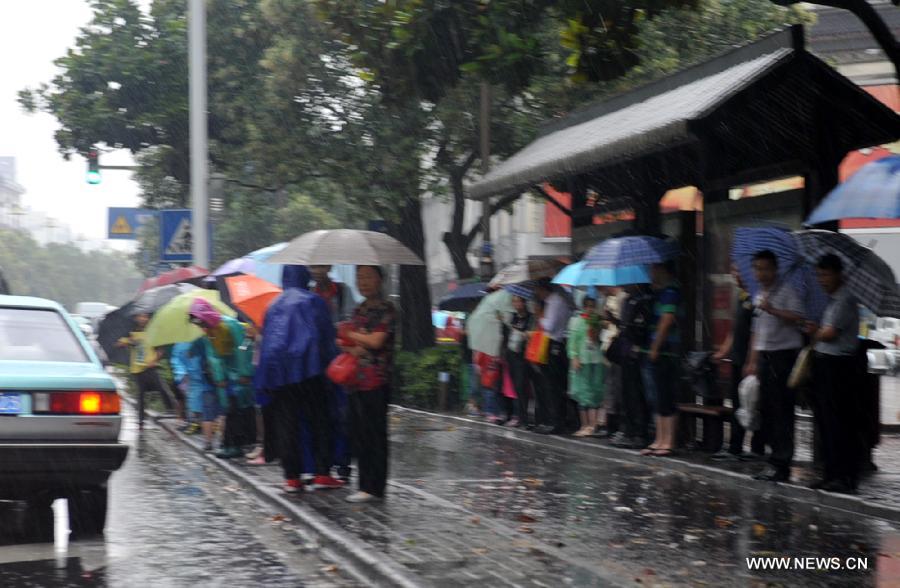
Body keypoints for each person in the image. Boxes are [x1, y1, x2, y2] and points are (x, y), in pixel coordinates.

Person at [255, 265, 344, 494]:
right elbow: (326, 340)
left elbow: (268, 343)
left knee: (288, 424)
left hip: (280, 376)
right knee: (319, 420)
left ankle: (292, 477)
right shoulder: (314, 302)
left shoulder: (272, 306)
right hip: (311, 370)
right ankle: (322, 472)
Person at [744, 250, 805, 483]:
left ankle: (782, 462)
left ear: (775, 269)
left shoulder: (787, 291)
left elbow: (798, 317)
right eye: (757, 268)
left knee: (782, 411)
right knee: (767, 410)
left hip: (783, 356)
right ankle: (773, 459)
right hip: (765, 356)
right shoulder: (760, 292)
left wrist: (773, 309)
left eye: (765, 268)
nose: (761, 273)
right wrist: (752, 360)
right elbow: (757, 330)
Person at [338, 265, 396, 503]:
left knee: (375, 433)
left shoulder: (387, 309)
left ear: (380, 280)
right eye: (359, 277)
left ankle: (376, 486)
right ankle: (364, 484)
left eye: (368, 277)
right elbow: (351, 344)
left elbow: (376, 340)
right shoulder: (359, 309)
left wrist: (353, 336)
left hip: (377, 380)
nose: (363, 282)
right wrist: (352, 343)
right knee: (360, 433)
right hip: (356, 380)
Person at [806, 254, 861, 493]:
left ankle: (845, 476)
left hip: (839, 367)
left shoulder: (845, 299)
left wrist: (814, 332)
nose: (822, 279)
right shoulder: (832, 300)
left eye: (826, 274)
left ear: (839, 274)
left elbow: (830, 333)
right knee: (826, 423)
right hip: (825, 364)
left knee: (839, 423)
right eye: (819, 274)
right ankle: (830, 473)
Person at [187, 299, 256, 459]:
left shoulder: (230, 325)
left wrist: (244, 372)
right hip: (227, 380)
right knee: (231, 411)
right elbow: (214, 358)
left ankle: (234, 446)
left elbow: (242, 348)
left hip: (238, 378)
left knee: (236, 411)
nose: (200, 325)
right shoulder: (210, 333)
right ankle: (230, 445)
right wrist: (219, 378)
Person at [712, 264, 764, 461]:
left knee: (754, 403)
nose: (735, 275)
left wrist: (753, 360)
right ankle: (735, 445)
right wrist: (723, 352)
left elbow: (756, 333)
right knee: (737, 403)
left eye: (738, 270)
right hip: (737, 358)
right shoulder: (742, 296)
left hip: (750, 360)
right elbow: (735, 330)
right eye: (733, 270)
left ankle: (757, 447)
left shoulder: (757, 298)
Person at [310, 265, 352, 481]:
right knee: (319, 415)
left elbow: (350, 320)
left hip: (339, 359)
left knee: (342, 415)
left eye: (320, 266)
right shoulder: (307, 295)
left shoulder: (342, 291)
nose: (316, 271)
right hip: (315, 363)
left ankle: (343, 463)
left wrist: (333, 330)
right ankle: (321, 466)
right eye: (312, 266)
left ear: (328, 267)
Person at [640, 262, 681, 457]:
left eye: (654, 268)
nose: (651, 272)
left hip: (665, 351)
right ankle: (659, 439)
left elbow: (667, 320)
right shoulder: (660, 292)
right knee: (655, 397)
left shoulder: (671, 292)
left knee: (665, 397)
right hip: (656, 350)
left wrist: (655, 347)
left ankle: (668, 441)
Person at [609, 283, 654, 449]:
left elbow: (640, 327)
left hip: (635, 352)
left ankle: (639, 433)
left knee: (635, 393)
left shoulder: (642, 299)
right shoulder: (628, 300)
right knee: (627, 393)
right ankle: (630, 430)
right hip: (625, 351)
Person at [116, 312, 175, 430]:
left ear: (148, 318)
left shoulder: (153, 331)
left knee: (161, 387)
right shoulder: (131, 331)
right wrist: (128, 342)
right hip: (137, 369)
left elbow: (160, 349)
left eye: (145, 316)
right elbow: (119, 343)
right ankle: (140, 421)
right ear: (136, 317)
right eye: (140, 316)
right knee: (141, 395)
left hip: (150, 367)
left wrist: (154, 360)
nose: (143, 319)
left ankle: (171, 410)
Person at [533, 278, 572, 435]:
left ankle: (558, 422)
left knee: (553, 385)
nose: (537, 294)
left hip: (555, 345)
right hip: (554, 344)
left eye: (538, 290)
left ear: (544, 289)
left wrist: (539, 315)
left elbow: (549, 326)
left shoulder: (554, 301)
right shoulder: (554, 301)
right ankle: (556, 420)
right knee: (552, 385)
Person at [568, 296, 605, 437]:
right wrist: (574, 356)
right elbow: (572, 341)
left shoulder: (596, 322)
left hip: (595, 360)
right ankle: (584, 425)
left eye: (592, 306)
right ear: (583, 307)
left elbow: (597, 340)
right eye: (587, 306)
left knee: (595, 391)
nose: (590, 309)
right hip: (582, 360)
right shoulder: (576, 321)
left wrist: (594, 327)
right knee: (583, 392)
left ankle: (593, 425)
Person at [503, 295, 535, 428]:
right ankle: (520, 417)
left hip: (524, 356)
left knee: (523, 387)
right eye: (514, 301)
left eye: (518, 301)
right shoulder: (513, 317)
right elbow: (506, 335)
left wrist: (520, 332)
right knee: (516, 387)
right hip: (512, 355)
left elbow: (529, 334)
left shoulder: (530, 317)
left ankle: (525, 418)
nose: (516, 304)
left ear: (524, 302)